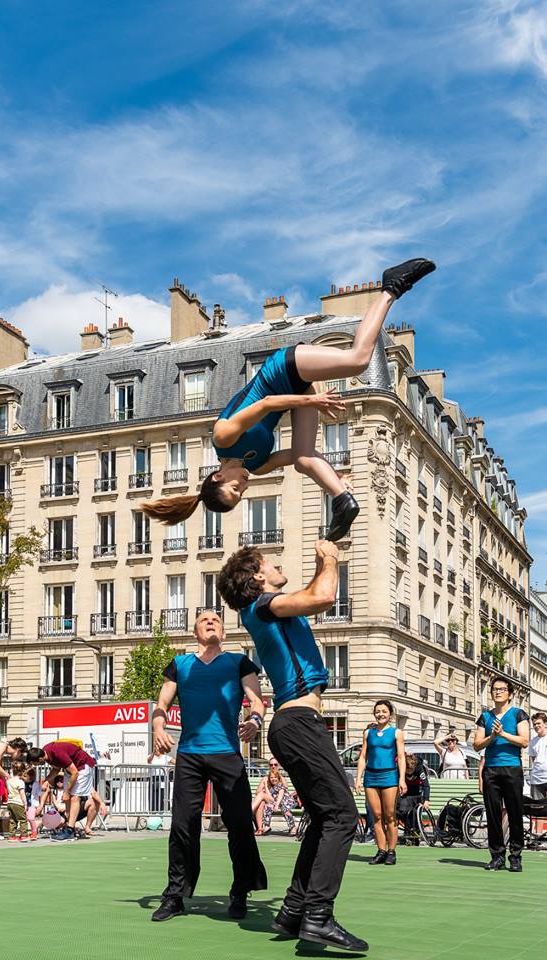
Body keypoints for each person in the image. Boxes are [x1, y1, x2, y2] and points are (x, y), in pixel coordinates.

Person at [141, 258, 435, 543]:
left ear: (218, 476)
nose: (244, 486)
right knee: (304, 457)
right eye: (241, 494)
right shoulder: (258, 466)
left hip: (282, 368)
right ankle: (342, 500)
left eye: (235, 488)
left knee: (357, 360)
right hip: (297, 395)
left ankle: (392, 286)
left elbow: (267, 403)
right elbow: (297, 456)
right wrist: (335, 479)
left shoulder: (224, 437)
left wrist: (314, 401)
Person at [218, 540, 367, 953]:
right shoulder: (265, 605)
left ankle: (293, 911)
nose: (277, 563)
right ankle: (318, 917)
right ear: (257, 577)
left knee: (323, 819)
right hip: (298, 722)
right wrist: (332, 558)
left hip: (292, 723)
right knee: (342, 816)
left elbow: (312, 593)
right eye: (269, 562)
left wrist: (324, 560)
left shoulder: (265, 609)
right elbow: (323, 596)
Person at [149, 609, 268, 923]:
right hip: (189, 754)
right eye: (204, 619)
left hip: (227, 754)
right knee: (182, 826)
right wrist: (158, 729)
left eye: (216, 618)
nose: (211, 621)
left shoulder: (239, 662)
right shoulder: (180, 665)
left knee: (240, 824)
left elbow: (257, 701)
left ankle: (240, 891)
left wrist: (255, 720)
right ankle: (175, 896)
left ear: (225, 633)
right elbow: (161, 706)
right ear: (195, 633)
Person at [473, 678, 530, 872]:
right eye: (494, 689)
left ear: (510, 694)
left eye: (502, 689)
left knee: (515, 813)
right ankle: (497, 856)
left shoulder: (518, 714)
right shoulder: (485, 717)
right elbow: (476, 744)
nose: (497, 692)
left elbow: (524, 741)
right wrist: (492, 737)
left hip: (512, 768)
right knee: (493, 815)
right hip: (491, 770)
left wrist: (503, 734)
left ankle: (515, 856)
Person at [356, 700, 406, 865]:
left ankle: (392, 851)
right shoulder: (367, 733)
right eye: (378, 711)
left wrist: (401, 779)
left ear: (390, 713)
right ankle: (381, 850)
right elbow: (363, 757)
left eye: (384, 711)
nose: (380, 714)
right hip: (371, 777)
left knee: (390, 816)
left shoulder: (396, 732)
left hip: (389, 776)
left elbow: (401, 757)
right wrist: (358, 779)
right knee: (376, 816)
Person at [26, 739, 97, 842]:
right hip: (72, 769)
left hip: (82, 767)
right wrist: (46, 780)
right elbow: (56, 769)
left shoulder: (57, 753)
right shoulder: (47, 753)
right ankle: (68, 826)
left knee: (74, 797)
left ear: (40, 758)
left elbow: (75, 773)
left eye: (35, 763)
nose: (35, 766)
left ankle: (70, 831)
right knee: (67, 799)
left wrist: (67, 792)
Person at [253, 758, 298, 835]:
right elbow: (257, 792)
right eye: (271, 765)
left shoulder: (281, 778)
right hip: (271, 800)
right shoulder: (265, 778)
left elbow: (283, 791)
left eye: (275, 764)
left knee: (263, 796)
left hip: (282, 801)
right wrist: (265, 786)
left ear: (278, 765)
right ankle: (261, 828)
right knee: (261, 803)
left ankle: (249, 811)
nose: (273, 766)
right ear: (269, 766)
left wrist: (265, 788)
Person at [5, 761, 31, 842]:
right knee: (23, 819)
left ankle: (11, 836)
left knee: (13, 820)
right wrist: (25, 804)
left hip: (10, 802)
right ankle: (24, 835)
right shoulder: (20, 782)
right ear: (23, 771)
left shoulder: (9, 780)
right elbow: (22, 794)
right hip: (18, 802)